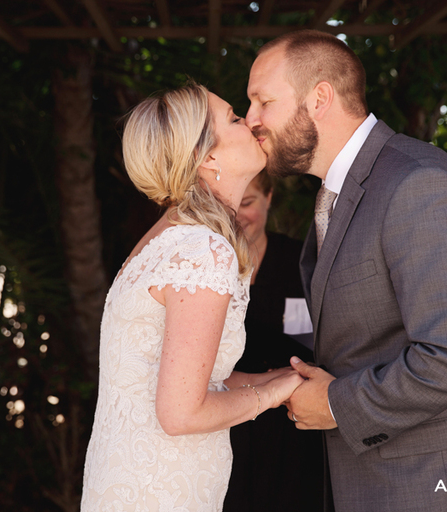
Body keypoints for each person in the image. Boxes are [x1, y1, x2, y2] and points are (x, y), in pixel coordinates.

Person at [244, 30, 447, 512]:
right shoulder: (338, 192)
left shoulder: (418, 183)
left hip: (440, 482)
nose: (252, 119)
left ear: (319, 97)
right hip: (381, 478)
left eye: (263, 101)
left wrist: (338, 403)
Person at [80, 83, 304, 512]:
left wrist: (280, 380)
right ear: (208, 158)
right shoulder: (201, 250)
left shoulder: (168, 237)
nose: (252, 121)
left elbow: (188, 382)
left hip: (131, 481)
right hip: (163, 491)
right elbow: (182, 413)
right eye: (236, 118)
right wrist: (274, 396)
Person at [224, 171, 323, 512]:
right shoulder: (205, 271)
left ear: (268, 196)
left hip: (293, 430)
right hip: (227, 423)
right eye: (229, 205)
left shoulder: (303, 266)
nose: (237, 216)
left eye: (247, 202)